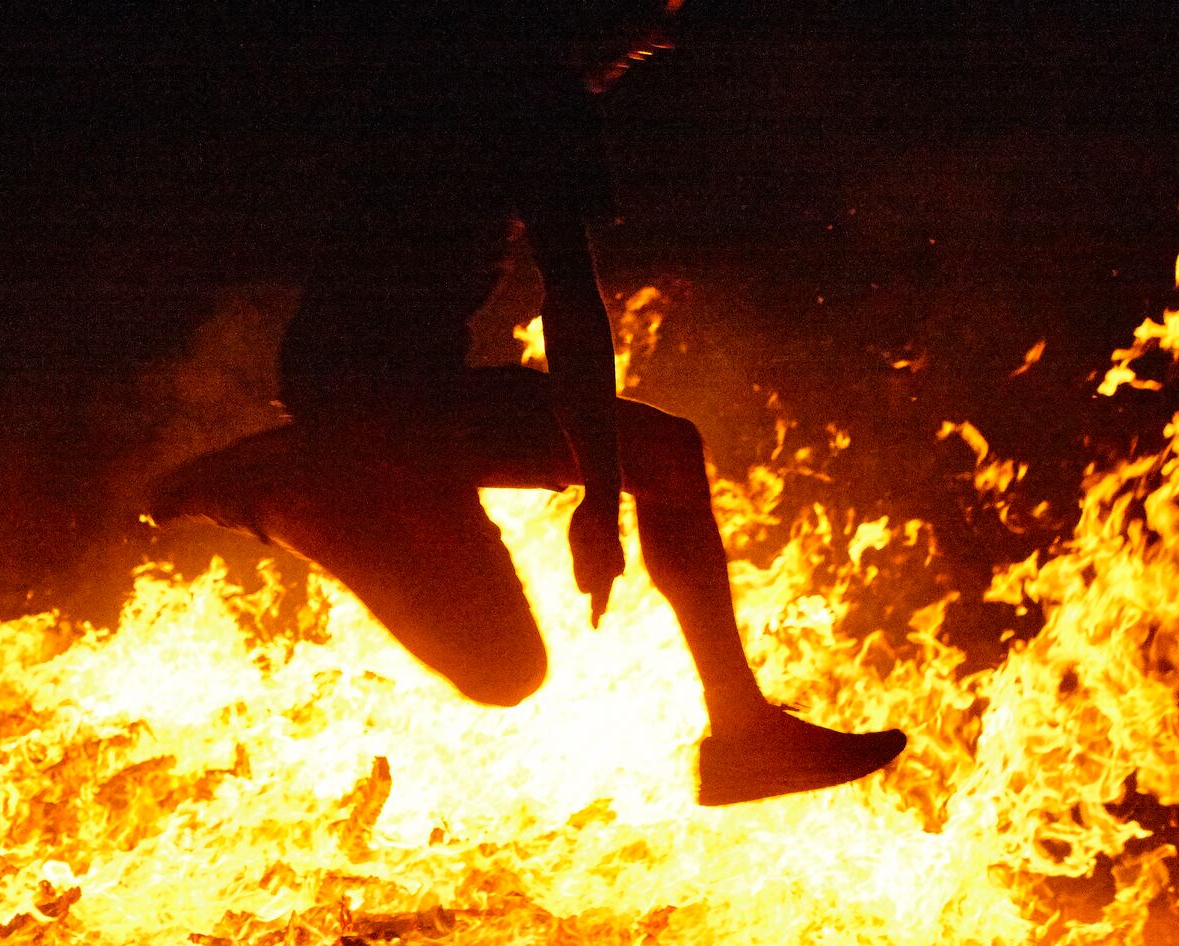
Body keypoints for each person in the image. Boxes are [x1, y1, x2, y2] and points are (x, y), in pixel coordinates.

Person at [149, 3, 904, 807]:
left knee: (662, 458)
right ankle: (278, 487)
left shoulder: (499, 67)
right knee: (507, 673)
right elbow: (571, 300)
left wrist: (606, 484)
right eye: (657, 12)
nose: (661, 33)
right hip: (370, 396)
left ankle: (744, 735)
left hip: (406, 382)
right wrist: (600, 498)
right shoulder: (527, 86)